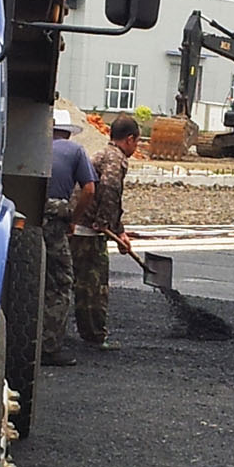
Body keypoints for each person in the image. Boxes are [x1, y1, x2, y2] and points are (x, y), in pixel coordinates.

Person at [73, 114, 140, 352]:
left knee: (74, 281)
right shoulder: (116, 158)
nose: (136, 147)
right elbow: (110, 189)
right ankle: (93, 335)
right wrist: (103, 223)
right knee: (94, 285)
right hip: (87, 230)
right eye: (137, 143)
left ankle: (77, 331)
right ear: (130, 140)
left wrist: (119, 231)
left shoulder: (103, 153)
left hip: (77, 223)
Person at [40, 108, 97, 367]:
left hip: (24, 216)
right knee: (60, 281)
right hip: (55, 219)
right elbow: (89, 188)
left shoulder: (36, 146)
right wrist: (74, 219)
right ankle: (49, 346)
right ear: (68, 132)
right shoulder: (75, 151)